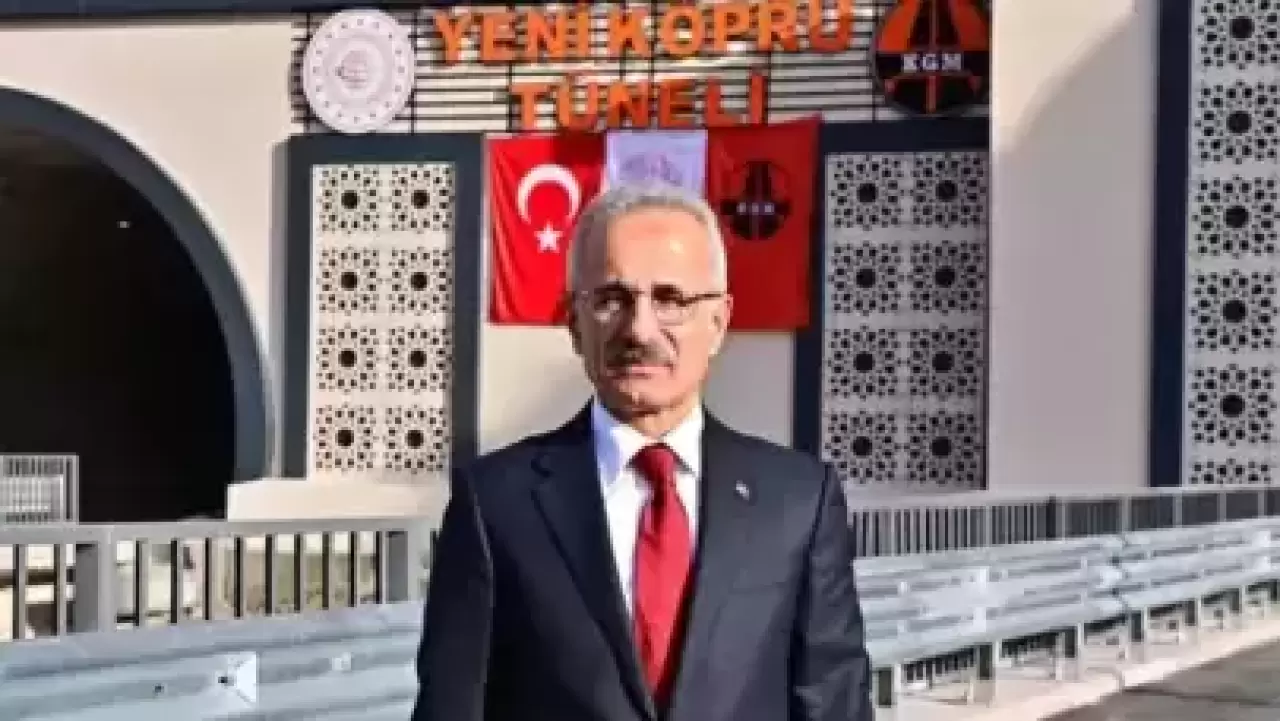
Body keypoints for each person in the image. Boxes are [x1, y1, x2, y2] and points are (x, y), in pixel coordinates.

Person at [411, 183, 873, 721]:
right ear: (574, 323)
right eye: (612, 299)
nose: (639, 329)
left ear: (719, 322)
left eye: (671, 300)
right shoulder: (495, 505)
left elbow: (835, 702)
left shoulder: (797, 502)